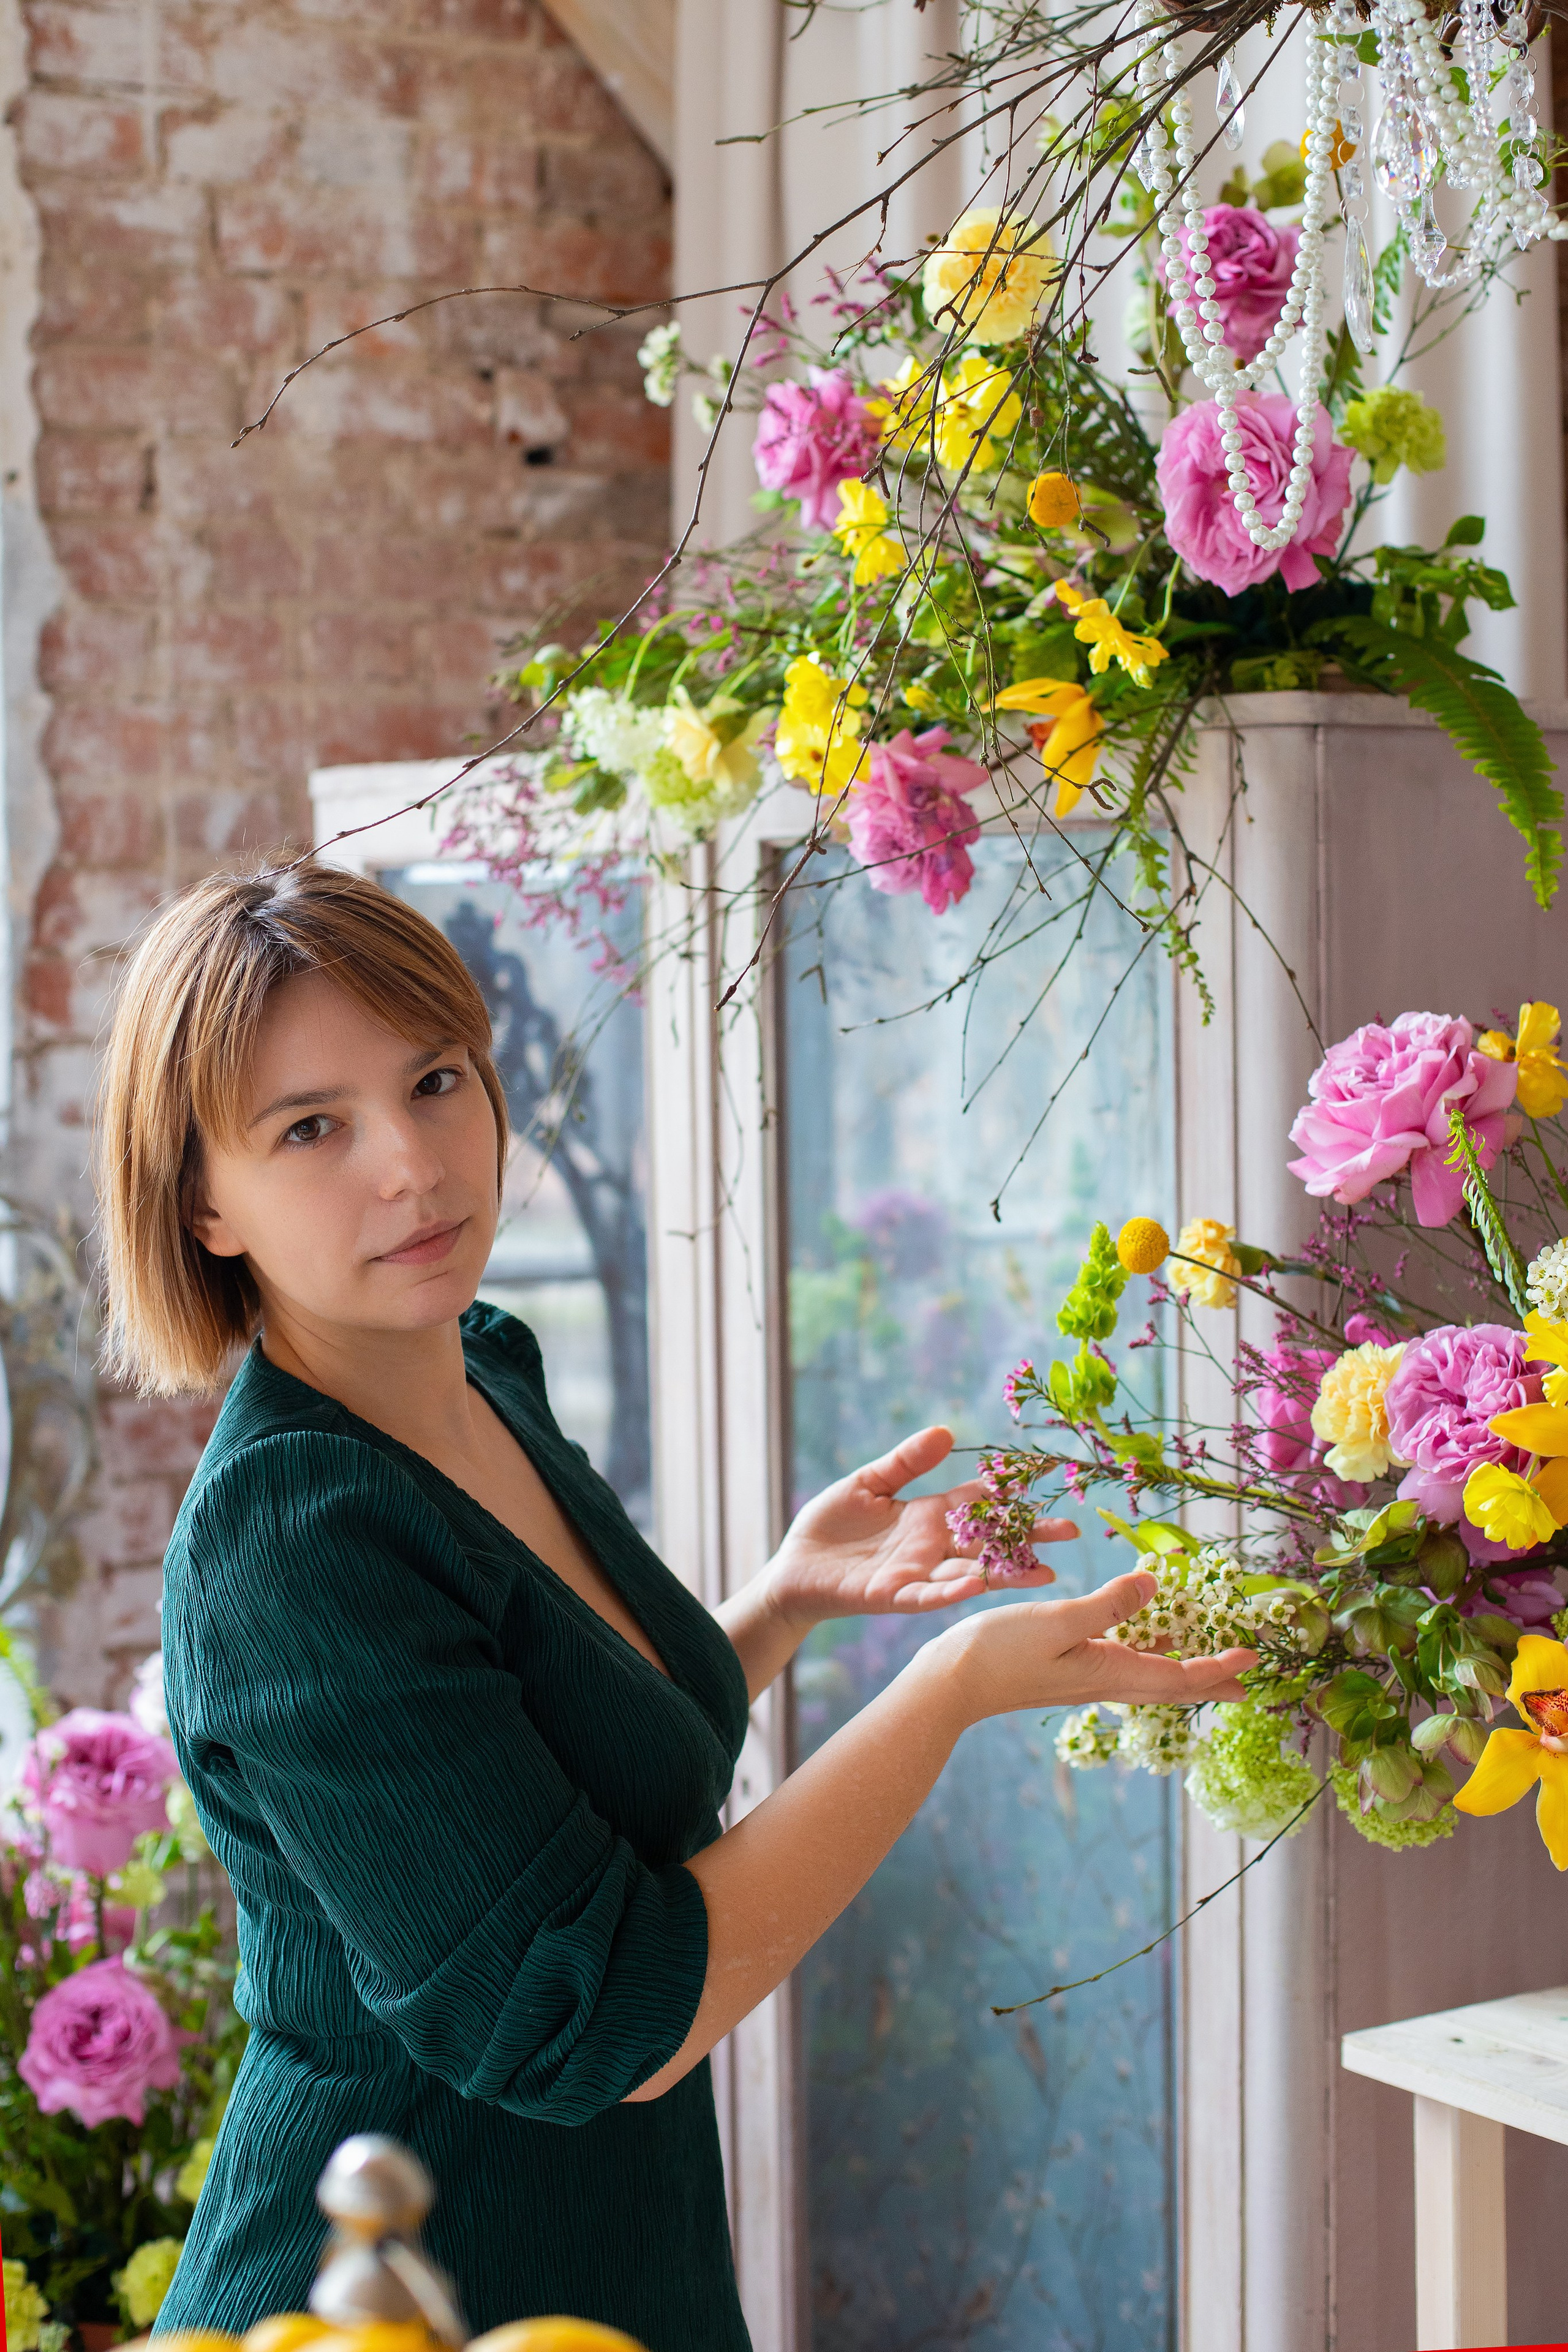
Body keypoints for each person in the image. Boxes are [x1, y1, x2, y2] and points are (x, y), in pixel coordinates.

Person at [97, 861, 1250, 2352]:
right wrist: (946, 1687)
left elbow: (572, 1791)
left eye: (436, 1080)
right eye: (311, 1128)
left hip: (613, 2257)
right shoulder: (291, 1540)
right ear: (200, 1201)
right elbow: (600, 2011)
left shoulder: (481, 1369)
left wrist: (776, 1605)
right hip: (401, 2286)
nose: (411, 1161)